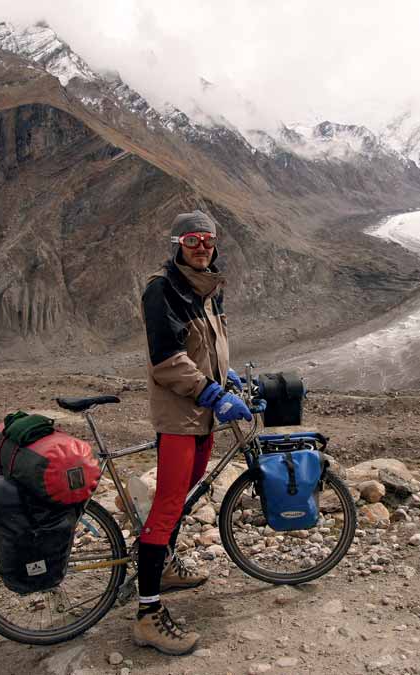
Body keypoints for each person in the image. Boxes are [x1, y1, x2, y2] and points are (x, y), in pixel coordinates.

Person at [133, 210, 252, 655]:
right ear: (176, 244)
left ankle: (162, 566)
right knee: (166, 509)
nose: (201, 246)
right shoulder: (162, 288)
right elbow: (166, 360)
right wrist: (213, 394)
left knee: (183, 497)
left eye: (206, 239)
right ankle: (147, 614)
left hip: (201, 415)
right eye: (191, 239)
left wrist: (227, 375)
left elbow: (204, 347)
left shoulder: (206, 289)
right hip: (181, 417)